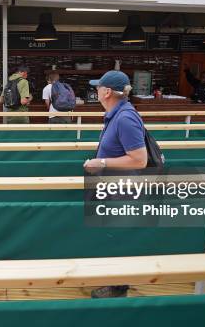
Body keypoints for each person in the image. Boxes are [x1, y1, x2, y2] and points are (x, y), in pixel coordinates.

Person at [82, 71, 148, 299]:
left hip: (123, 190)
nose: (96, 91)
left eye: (98, 87)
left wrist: (100, 161)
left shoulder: (125, 117)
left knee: (119, 238)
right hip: (115, 187)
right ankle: (114, 282)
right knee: (113, 235)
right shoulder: (117, 114)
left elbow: (140, 159)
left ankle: (117, 288)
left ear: (107, 92)